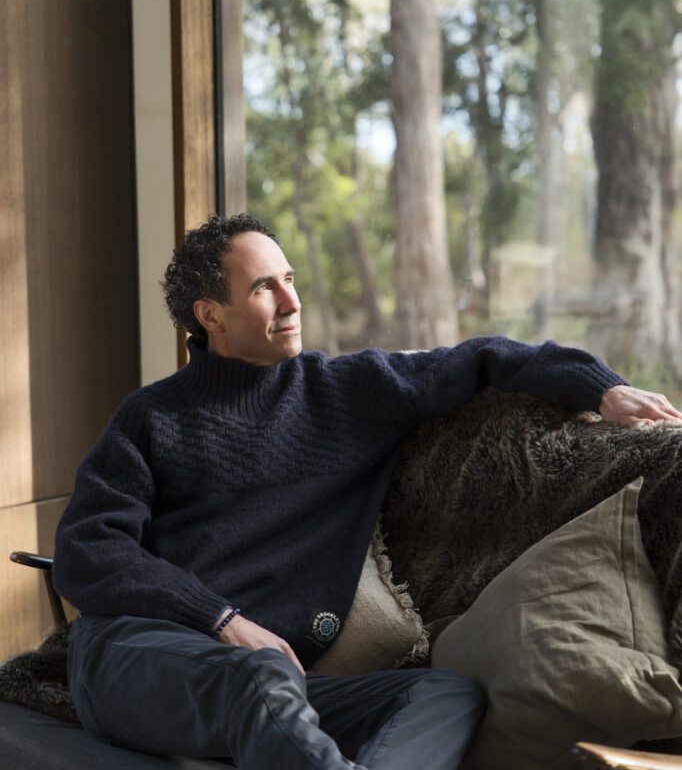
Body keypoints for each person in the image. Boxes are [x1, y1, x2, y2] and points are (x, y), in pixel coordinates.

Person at [53, 214, 682, 770]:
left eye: (290, 279)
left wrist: (601, 388)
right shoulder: (151, 418)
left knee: (443, 694)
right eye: (263, 288)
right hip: (137, 659)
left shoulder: (345, 393)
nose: (290, 301)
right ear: (210, 315)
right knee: (260, 675)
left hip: (281, 687)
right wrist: (220, 620)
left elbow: (484, 357)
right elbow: (87, 549)